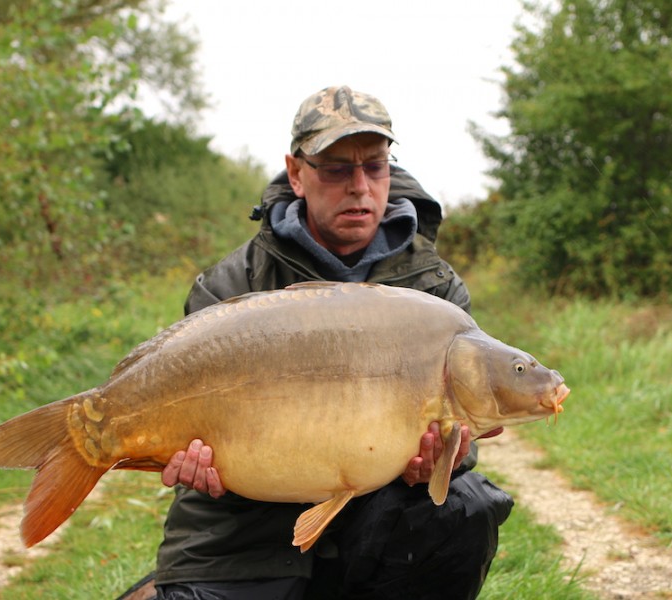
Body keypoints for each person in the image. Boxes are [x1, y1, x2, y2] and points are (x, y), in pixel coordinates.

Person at [152, 86, 513, 600]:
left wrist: (441, 459)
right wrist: (188, 463)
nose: (360, 187)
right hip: (241, 531)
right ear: (296, 173)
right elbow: (183, 423)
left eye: (375, 166)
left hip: (376, 519)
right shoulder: (230, 285)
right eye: (337, 168)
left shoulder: (436, 291)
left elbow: (458, 437)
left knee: (465, 507)